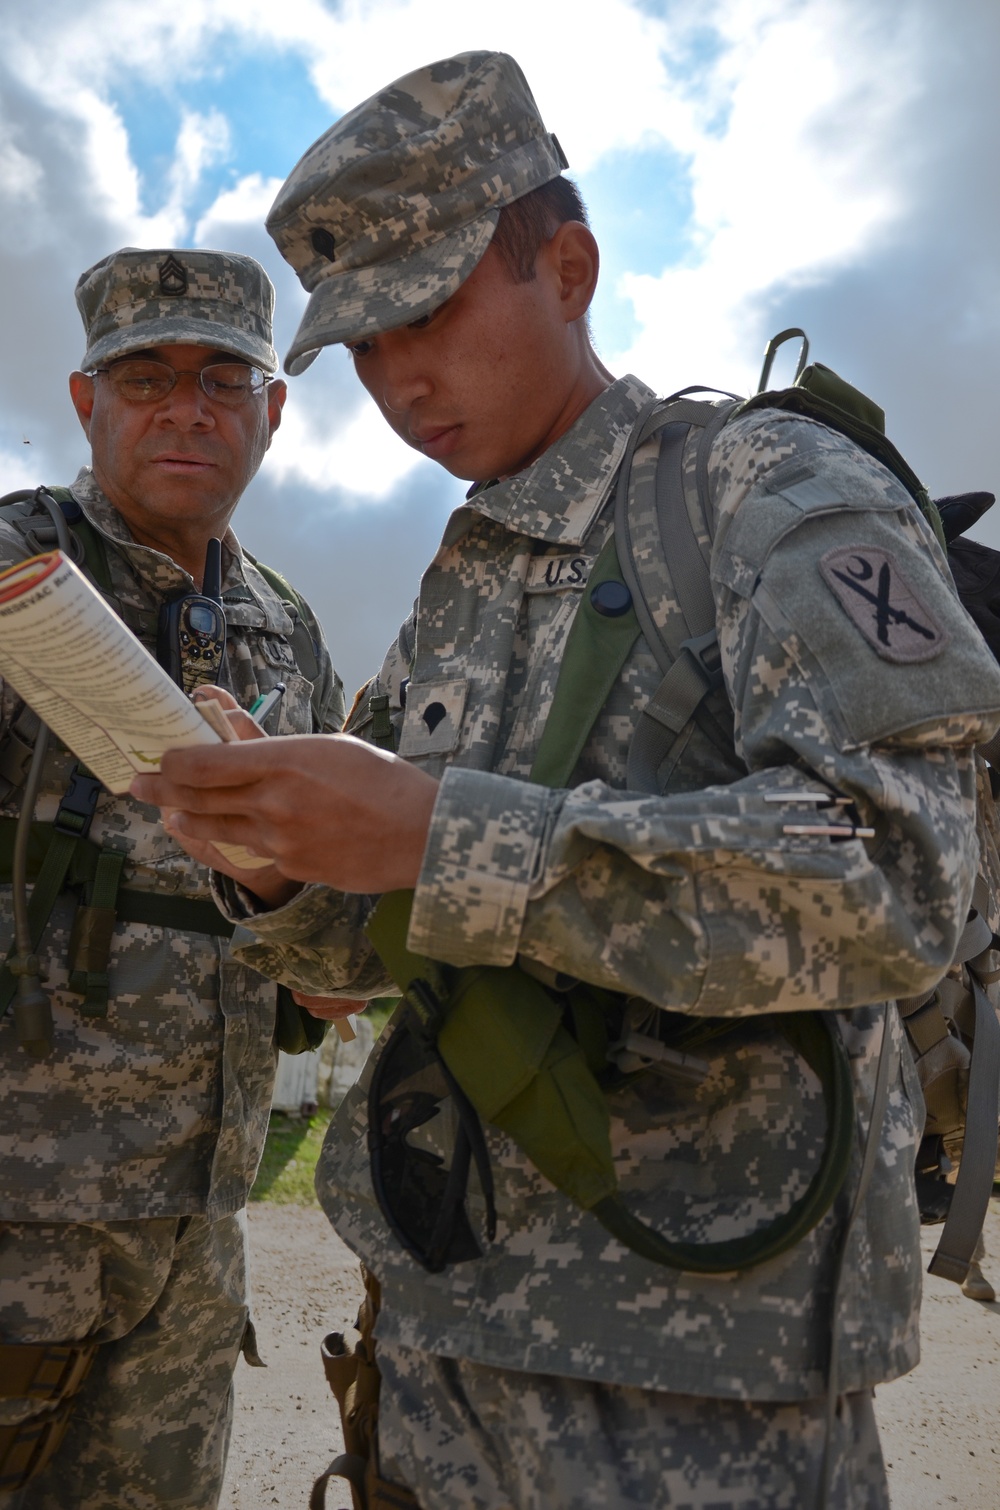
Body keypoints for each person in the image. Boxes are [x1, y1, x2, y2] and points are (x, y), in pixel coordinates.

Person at [133, 54, 1000, 1510]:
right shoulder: (457, 584)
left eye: (429, 312)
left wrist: (442, 832)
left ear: (574, 266)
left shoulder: (762, 488)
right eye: (362, 344)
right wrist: (278, 859)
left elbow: (899, 869)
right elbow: (389, 926)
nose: (399, 377)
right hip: (438, 1336)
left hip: (696, 1388)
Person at [0, 247, 344, 1509]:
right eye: (143, 379)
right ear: (88, 404)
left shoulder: (285, 626)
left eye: (221, 380)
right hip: (21, 1202)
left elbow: (327, 880)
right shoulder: (13, 568)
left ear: (271, 411)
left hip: (202, 1218)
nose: (185, 408)